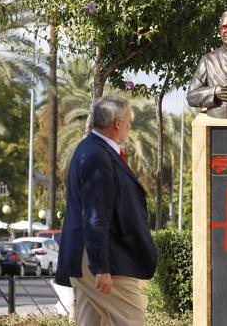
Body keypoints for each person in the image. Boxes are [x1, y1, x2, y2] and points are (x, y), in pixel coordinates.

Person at [57, 95, 157, 326]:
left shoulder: (90, 149)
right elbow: (95, 217)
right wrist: (101, 267)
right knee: (131, 319)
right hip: (99, 257)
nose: (130, 128)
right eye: (130, 122)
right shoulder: (98, 156)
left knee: (91, 322)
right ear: (118, 123)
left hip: (87, 255)